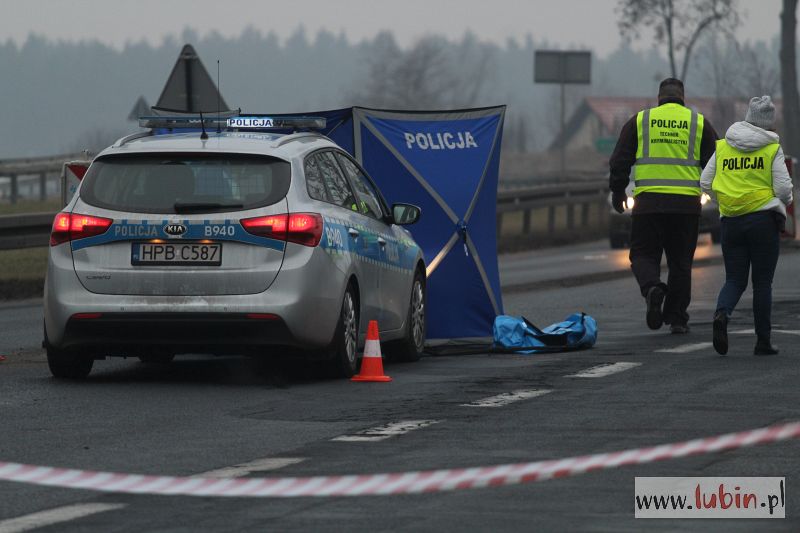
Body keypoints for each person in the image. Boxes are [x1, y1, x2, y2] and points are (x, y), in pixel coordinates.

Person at [609, 78, 718, 333]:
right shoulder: (698, 123)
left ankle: (652, 288)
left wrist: (617, 191)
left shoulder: (641, 121)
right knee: (681, 263)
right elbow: (715, 162)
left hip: (649, 204)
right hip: (686, 207)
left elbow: (620, 159)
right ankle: (677, 318)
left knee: (642, 255)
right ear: (683, 98)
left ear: (659, 98)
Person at [700, 96, 793, 356]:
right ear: (769, 122)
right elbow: (784, 189)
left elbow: (705, 183)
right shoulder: (771, 149)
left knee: (734, 279)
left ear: (748, 117)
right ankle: (763, 341)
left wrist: (726, 199)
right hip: (763, 222)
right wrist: (783, 202)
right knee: (762, 283)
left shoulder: (723, 147)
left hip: (731, 222)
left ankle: (722, 313)